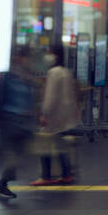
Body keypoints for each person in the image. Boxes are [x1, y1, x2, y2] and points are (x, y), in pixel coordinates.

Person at [31, 43, 79, 185]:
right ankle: (66, 174)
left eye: (49, 52)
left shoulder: (53, 73)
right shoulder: (66, 72)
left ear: (55, 55)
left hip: (54, 116)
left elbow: (50, 97)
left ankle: (45, 176)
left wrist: (44, 113)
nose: (47, 56)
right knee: (60, 145)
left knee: (44, 145)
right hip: (65, 116)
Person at [0, 47, 37, 199]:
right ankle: (1, 185)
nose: (29, 61)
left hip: (23, 121)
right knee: (12, 156)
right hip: (9, 119)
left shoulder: (27, 76)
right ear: (18, 58)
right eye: (26, 57)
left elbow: (29, 99)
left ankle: (2, 184)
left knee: (17, 155)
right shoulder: (7, 76)